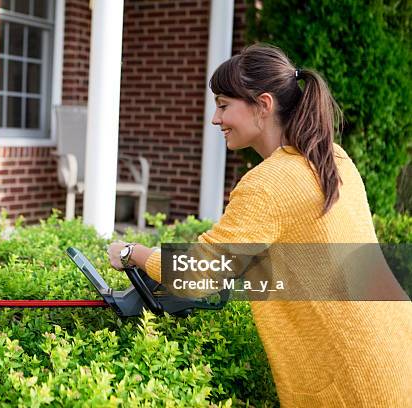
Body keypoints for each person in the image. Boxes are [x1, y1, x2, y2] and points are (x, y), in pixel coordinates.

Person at [107, 44, 411, 407]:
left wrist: (130, 252)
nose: (215, 119)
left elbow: (201, 274)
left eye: (223, 105)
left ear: (263, 105)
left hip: (354, 382)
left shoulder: (268, 183)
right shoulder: (333, 157)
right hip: (398, 348)